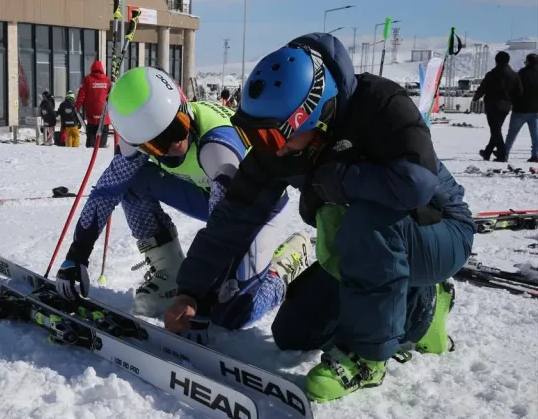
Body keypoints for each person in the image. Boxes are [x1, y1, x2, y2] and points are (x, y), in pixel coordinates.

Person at [166, 33, 475, 402]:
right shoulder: (280, 143)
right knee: (294, 332)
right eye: (255, 135)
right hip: (367, 249)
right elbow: (231, 219)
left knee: (362, 219)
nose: (269, 148)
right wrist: (191, 291)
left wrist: (337, 178)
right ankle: (408, 304)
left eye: (272, 136)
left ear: (312, 115)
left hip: (439, 231)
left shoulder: (380, 105)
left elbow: (416, 186)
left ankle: (373, 352)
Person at [53, 66, 310, 341]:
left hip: (256, 209)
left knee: (231, 313)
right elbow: (106, 191)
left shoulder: (218, 148)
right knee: (130, 178)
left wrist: (200, 298)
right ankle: (170, 271)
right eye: (157, 144)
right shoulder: (140, 139)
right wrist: (76, 254)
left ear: (185, 108)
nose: (175, 144)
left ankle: (284, 265)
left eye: (179, 127)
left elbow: (225, 231)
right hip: (206, 194)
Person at [473, 51, 523, 162]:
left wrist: (476, 97)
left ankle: (502, 154)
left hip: (491, 105)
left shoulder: (491, 74)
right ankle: (487, 152)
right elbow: (519, 91)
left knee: (495, 130)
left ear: (496, 61)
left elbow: (483, 87)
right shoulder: (515, 75)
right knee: (496, 129)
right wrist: (511, 100)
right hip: (506, 106)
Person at [503, 53, 538, 162]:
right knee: (535, 135)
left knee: (512, 134)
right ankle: (535, 155)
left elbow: (513, 90)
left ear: (528, 62)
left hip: (520, 109)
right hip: (535, 110)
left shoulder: (521, 73)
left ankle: (504, 154)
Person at [76, 60, 111, 148]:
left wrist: (77, 106)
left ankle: (90, 145)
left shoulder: (87, 79)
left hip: (91, 111)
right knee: (104, 130)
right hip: (104, 111)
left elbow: (81, 94)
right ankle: (102, 145)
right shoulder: (107, 80)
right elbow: (112, 96)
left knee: (91, 129)